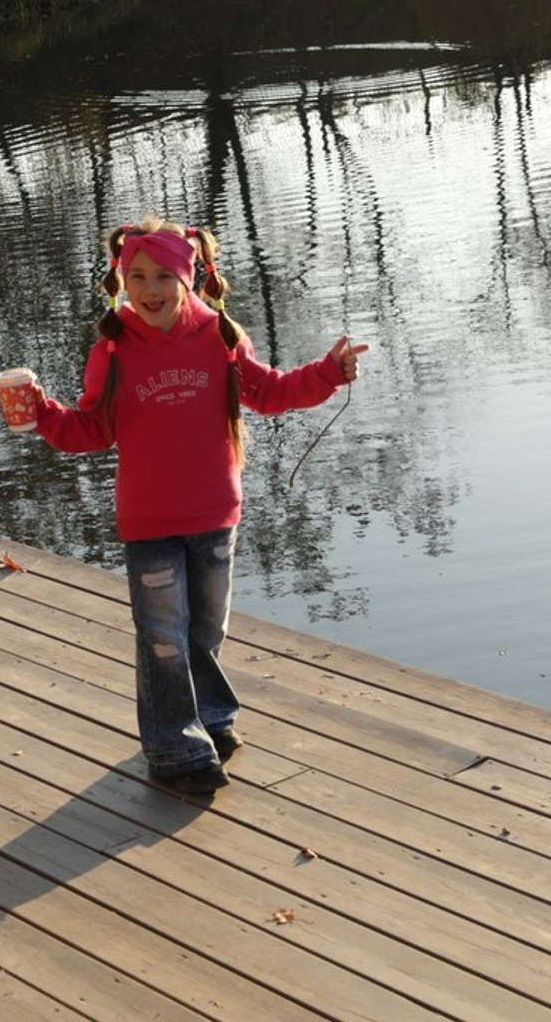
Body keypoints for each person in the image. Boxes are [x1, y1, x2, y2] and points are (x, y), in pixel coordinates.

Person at [30, 218, 367, 796]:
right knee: (163, 636)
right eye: (136, 276)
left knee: (206, 629)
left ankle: (210, 717)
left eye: (163, 275)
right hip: (150, 521)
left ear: (189, 279)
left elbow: (269, 391)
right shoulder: (112, 352)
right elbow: (91, 428)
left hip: (215, 514)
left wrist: (327, 374)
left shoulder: (220, 337)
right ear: (120, 281)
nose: (150, 288)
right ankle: (174, 749)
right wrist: (41, 412)